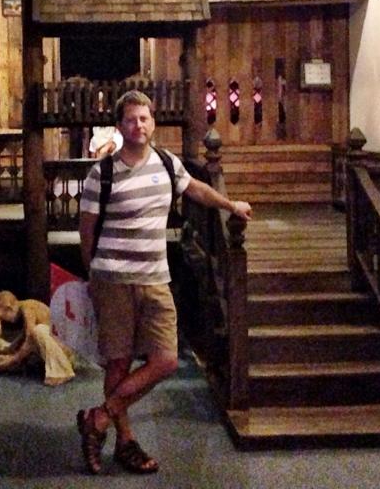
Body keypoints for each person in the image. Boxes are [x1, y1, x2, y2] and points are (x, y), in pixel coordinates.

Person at [76, 90, 251, 475]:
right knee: (119, 362)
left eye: (144, 118)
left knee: (166, 360)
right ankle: (125, 441)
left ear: (153, 122)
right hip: (113, 280)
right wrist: (92, 272)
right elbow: (86, 230)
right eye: (130, 119)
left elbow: (197, 190)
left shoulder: (168, 164)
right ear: (119, 126)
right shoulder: (102, 174)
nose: (138, 125)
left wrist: (230, 204)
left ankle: (99, 417)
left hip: (156, 279)